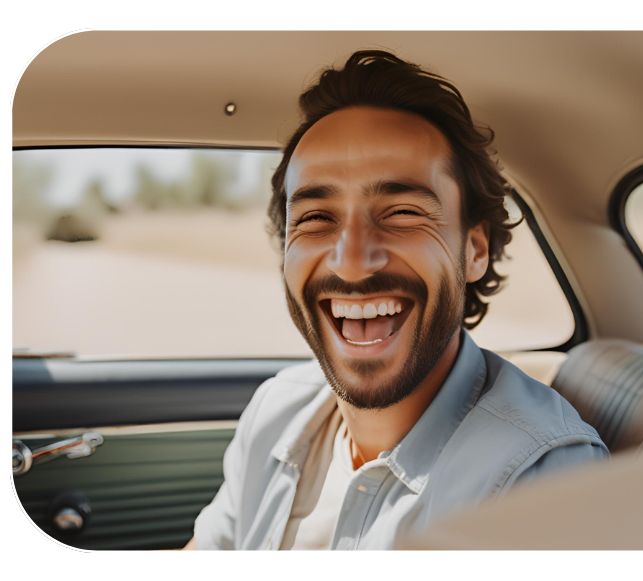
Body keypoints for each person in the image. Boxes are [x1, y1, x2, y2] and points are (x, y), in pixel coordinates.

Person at [186, 49, 608, 550]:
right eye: (316, 219)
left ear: (474, 251)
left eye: (403, 212)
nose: (352, 262)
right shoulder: (276, 410)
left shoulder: (541, 479)